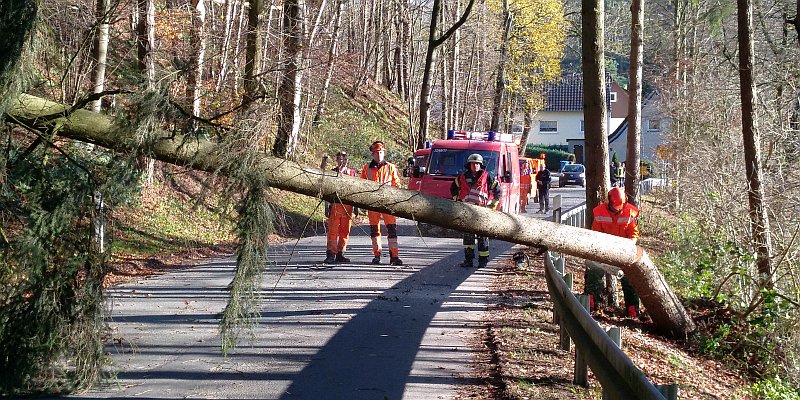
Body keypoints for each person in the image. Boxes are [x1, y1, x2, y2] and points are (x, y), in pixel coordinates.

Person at [584, 187, 641, 317]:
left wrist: (629, 247)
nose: (617, 209)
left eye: (619, 206)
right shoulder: (599, 212)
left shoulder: (630, 212)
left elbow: (634, 234)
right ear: (608, 201)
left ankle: (632, 310)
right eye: (615, 206)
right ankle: (592, 304)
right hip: (603, 249)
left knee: (630, 278)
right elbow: (596, 234)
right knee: (593, 271)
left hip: (623, 251)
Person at [450, 153, 503, 268]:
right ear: (469, 165)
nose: (476, 166)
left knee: (482, 237)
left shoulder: (487, 176)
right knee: (468, 238)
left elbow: (498, 191)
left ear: (481, 165)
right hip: (467, 211)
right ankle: (468, 260)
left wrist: (493, 205)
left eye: (478, 164)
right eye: (473, 164)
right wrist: (457, 200)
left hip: (482, 212)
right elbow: (453, 188)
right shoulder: (462, 177)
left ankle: (483, 261)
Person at [360, 141, 403, 265]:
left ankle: (394, 256)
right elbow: (361, 185)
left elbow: (397, 184)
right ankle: (376, 255)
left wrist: (396, 196)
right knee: (375, 230)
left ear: (383, 153)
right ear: (372, 154)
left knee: (392, 230)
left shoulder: (390, 167)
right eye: (377, 153)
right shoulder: (366, 168)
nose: (379, 155)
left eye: (381, 152)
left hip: (388, 204)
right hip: (372, 204)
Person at [324, 151, 358, 264]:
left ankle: (340, 253)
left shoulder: (352, 173)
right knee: (333, 231)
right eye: (340, 158)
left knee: (345, 231)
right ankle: (330, 254)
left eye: (344, 158)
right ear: (337, 160)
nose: (342, 161)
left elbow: (356, 191)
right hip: (335, 206)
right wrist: (326, 206)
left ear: (347, 160)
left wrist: (356, 207)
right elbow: (326, 191)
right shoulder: (332, 173)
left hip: (348, 207)